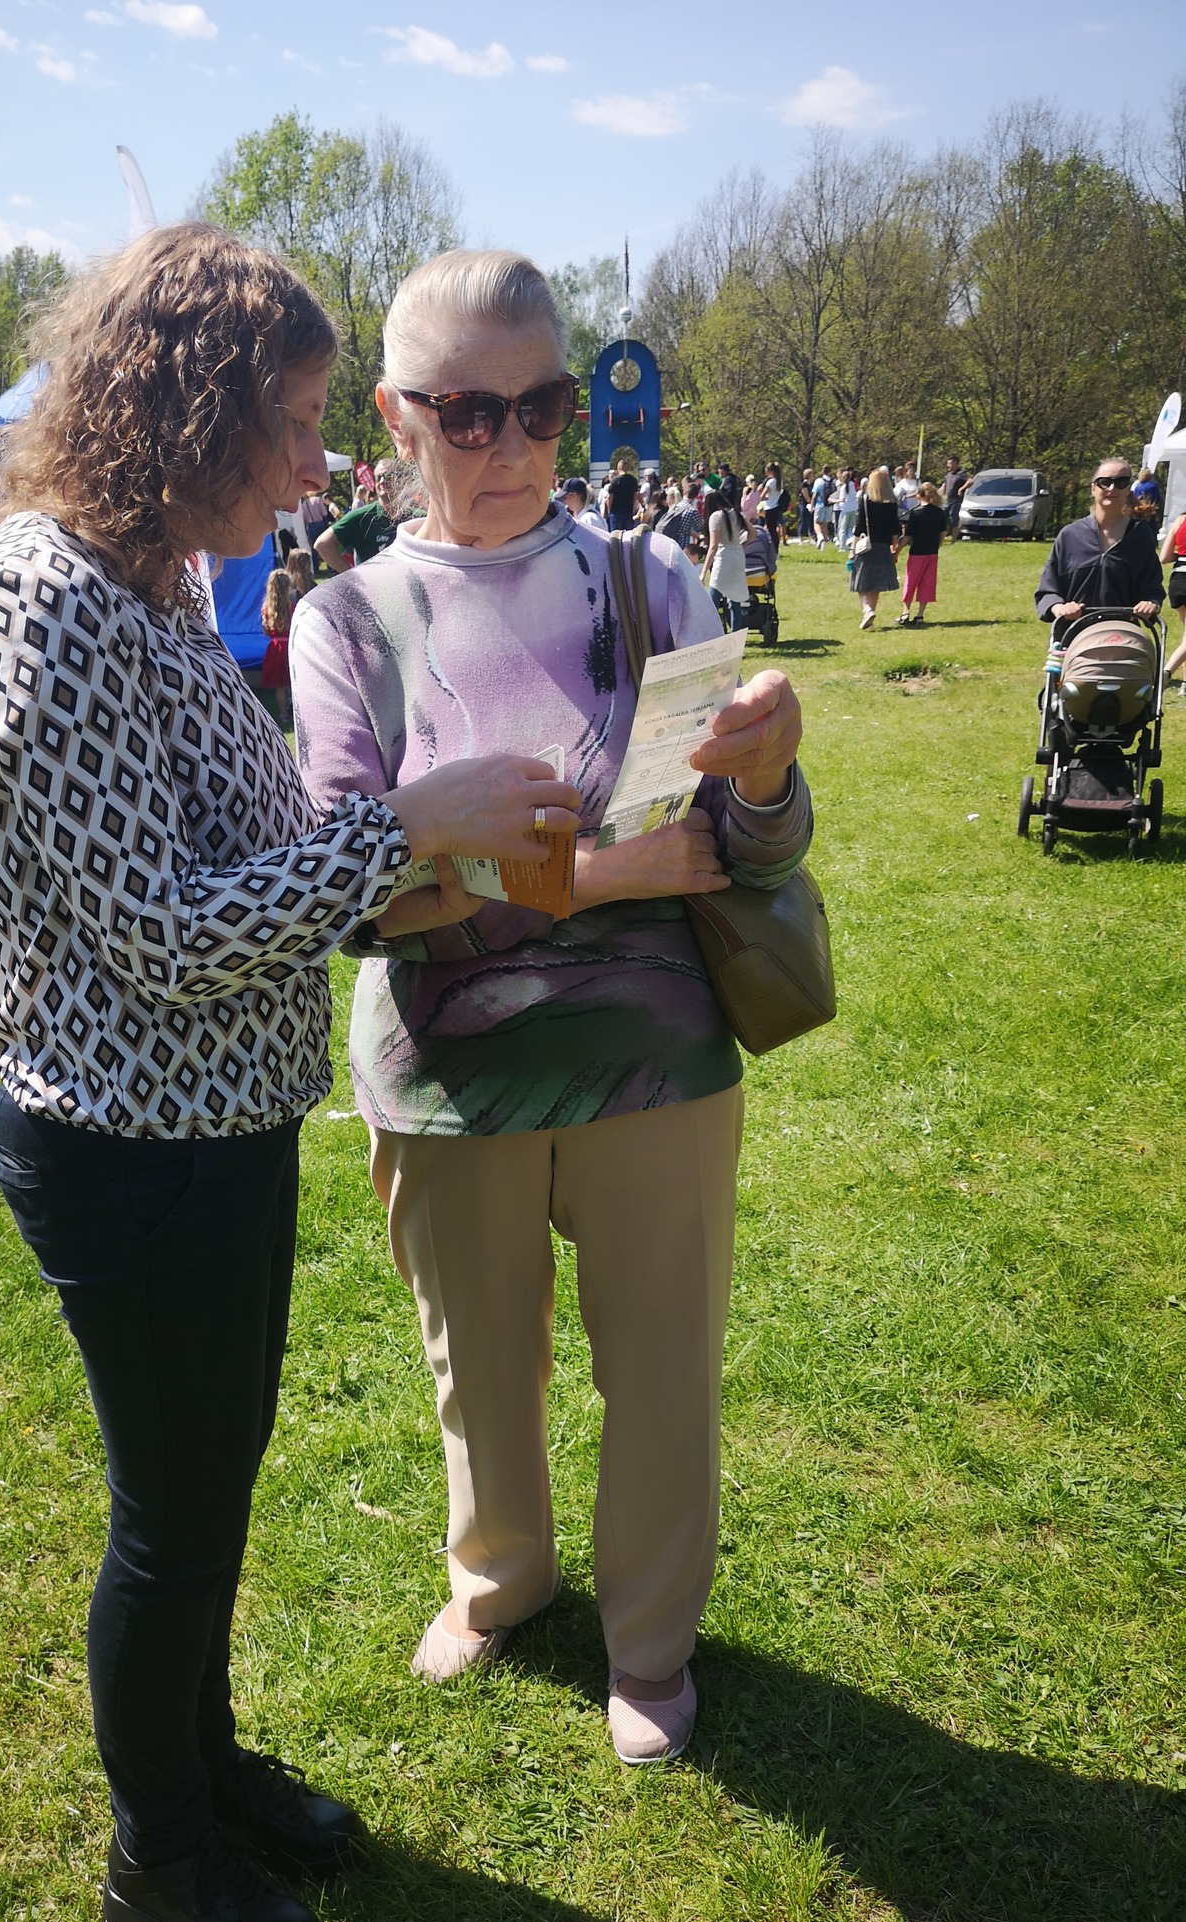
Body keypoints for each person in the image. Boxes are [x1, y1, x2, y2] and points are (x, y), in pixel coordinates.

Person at [0, 224, 581, 1922]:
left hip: (213, 1133)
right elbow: (160, 933)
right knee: (172, 1518)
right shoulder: (38, 599)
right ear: (184, 407)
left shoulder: (138, 584)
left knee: (207, 1491)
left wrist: (402, 861)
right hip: (127, 1152)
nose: (312, 463)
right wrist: (408, 829)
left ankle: (202, 1772)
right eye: (288, 421)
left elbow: (254, 854)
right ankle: (162, 1855)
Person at [291, 248, 811, 1766]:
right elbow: (354, 892)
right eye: (468, 412)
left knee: (663, 1364)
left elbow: (741, 852)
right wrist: (603, 872)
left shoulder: (652, 581)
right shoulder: (348, 622)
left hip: (658, 1057)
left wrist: (769, 780)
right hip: (445, 1076)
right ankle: (499, 1577)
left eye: (543, 407)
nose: (511, 445)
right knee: (478, 1362)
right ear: (395, 415)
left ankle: (651, 1642)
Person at [1035, 458, 1164, 627]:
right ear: (1093, 488)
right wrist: (1059, 607)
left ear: (1128, 489)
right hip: (1073, 634)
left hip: (1123, 634)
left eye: (1121, 482)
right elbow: (1047, 590)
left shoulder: (1139, 536)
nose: (1112, 488)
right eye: (1105, 482)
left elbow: (1152, 588)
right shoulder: (1070, 535)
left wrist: (1150, 604)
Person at [314, 457, 405, 574]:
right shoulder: (362, 517)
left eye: (388, 476)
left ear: (401, 480)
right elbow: (322, 544)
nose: (382, 481)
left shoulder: (417, 517)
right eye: (378, 477)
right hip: (373, 584)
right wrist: (353, 576)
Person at [849, 466, 901, 629]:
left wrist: (852, 550)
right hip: (884, 547)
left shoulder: (866, 501)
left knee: (861, 582)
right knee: (876, 584)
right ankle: (870, 614)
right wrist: (895, 549)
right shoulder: (891, 503)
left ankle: (867, 609)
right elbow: (895, 529)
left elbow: (858, 527)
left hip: (866, 546)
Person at [703, 479, 751, 631]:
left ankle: (711, 634)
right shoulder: (735, 513)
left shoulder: (715, 517)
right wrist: (742, 544)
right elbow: (753, 532)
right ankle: (736, 635)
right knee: (735, 600)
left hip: (724, 557)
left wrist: (703, 572)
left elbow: (713, 546)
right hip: (738, 555)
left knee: (713, 600)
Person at [896, 482, 946, 626]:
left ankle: (905, 612)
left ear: (919, 495)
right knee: (927, 583)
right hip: (932, 553)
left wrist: (897, 551)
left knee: (911, 583)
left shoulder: (916, 513)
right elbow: (943, 533)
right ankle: (920, 615)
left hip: (917, 553)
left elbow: (907, 536)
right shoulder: (939, 512)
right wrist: (937, 546)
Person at [259, 565, 296, 724]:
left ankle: (283, 714)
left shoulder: (267, 609)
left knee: (279, 685)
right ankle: (296, 710)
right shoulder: (292, 607)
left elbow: (266, 631)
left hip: (275, 648)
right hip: (290, 647)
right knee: (293, 681)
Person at [1158, 500, 1186, 680]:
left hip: (1178, 581)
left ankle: (1185, 682)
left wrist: (1180, 555)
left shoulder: (1180, 520)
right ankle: (1165, 674)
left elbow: (1164, 557)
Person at [656, 476, 703, 554]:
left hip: (671, 541)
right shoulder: (692, 510)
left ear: (684, 493)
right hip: (683, 543)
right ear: (696, 495)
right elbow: (700, 527)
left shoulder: (676, 506)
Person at [604, 457, 641, 532]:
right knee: (628, 535)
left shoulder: (615, 481)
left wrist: (609, 510)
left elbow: (610, 497)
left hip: (616, 512)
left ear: (618, 468)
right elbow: (635, 496)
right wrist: (633, 508)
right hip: (628, 512)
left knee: (615, 535)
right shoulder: (633, 480)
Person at [943, 456, 968, 539]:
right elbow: (944, 486)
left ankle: (954, 539)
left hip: (955, 501)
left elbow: (970, 481)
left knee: (953, 518)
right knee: (942, 518)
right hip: (947, 501)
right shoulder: (948, 475)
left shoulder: (961, 474)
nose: (947, 465)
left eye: (949, 463)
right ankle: (942, 536)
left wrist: (961, 489)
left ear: (955, 463)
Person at [811, 468, 835, 550]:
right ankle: (823, 546)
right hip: (829, 505)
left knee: (816, 523)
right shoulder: (832, 481)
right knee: (825, 524)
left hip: (819, 504)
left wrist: (812, 506)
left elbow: (814, 495)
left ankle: (819, 536)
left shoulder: (819, 481)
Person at [797, 468, 815, 543]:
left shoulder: (812, 484)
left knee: (811, 521)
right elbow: (805, 495)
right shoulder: (804, 484)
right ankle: (801, 537)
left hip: (811, 505)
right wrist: (810, 502)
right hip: (804, 504)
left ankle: (812, 536)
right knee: (803, 520)